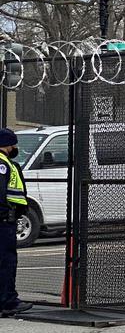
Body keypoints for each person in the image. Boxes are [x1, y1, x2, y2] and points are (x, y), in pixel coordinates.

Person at [0, 128, 32, 317]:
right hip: (3, 222)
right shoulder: (3, 164)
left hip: (5, 219)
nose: (15, 147)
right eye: (14, 144)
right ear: (9, 145)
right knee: (7, 261)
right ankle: (8, 301)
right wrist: (5, 214)